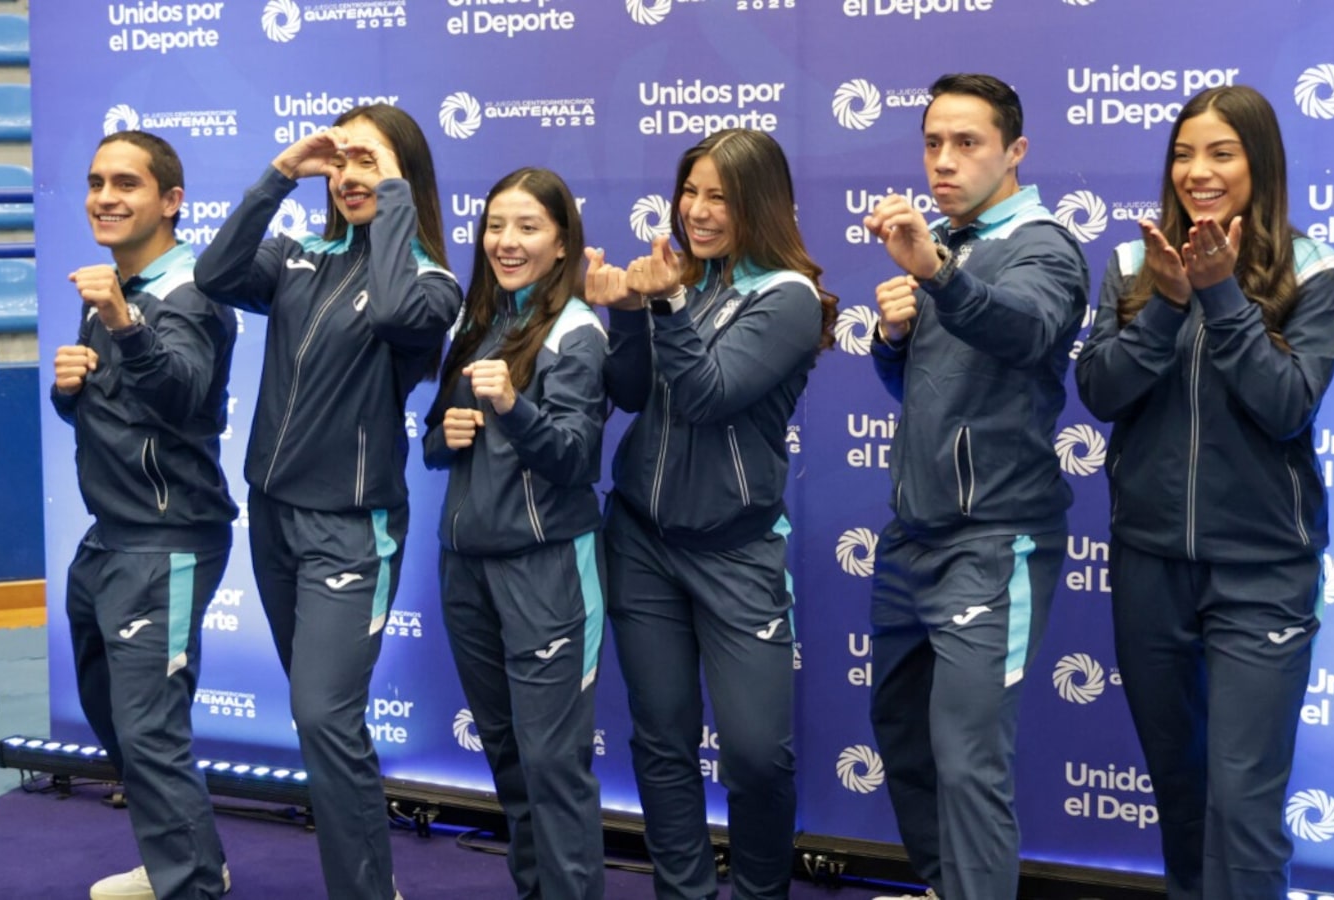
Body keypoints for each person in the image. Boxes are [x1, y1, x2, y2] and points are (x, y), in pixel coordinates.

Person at [1075, 85, 1334, 899]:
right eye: (1184, 152)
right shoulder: (1130, 264)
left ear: (1258, 163)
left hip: (1263, 571)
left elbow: (1287, 405)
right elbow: (1100, 391)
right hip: (1150, 566)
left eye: (1221, 152)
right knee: (1184, 794)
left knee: (1244, 801)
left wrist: (1223, 293)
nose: (1199, 171)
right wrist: (1165, 303)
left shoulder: (1317, 270)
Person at [194, 104, 461, 900]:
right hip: (272, 517)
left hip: (352, 533)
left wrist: (392, 209)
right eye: (341, 160)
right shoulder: (298, 256)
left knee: (323, 719)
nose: (349, 174)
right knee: (325, 724)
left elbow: (389, 311)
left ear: (406, 176)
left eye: (370, 161)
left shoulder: (433, 285)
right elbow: (212, 275)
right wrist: (281, 174)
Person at [584, 127, 837, 900]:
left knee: (757, 754)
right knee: (660, 742)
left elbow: (706, 395)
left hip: (735, 553)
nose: (696, 210)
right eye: (689, 191)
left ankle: (762, 892)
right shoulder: (686, 281)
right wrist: (626, 311)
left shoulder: (786, 297)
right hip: (641, 542)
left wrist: (663, 303)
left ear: (756, 204)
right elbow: (631, 393)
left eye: (718, 196)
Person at [861, 73, 1089, 900]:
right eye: (932, 144)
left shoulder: (1043, 244)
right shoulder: (950, 245)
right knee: (905, 739)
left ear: (1015, 151)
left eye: (968, 144)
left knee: (967, 761)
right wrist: (895, 338)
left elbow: (1026, 330)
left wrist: (938, 275)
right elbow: (935, 395)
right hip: (911, 537)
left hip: (994, 541)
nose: (945, 161)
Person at [51, 130, 238, 900]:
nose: (105, 196)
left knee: (150, 730)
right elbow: (122, 413)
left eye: (126, 183)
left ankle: (189, 882)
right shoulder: (115, 284)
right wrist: (70, 392)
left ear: (170, 201)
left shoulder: (187, 291)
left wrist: (124, 324)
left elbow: (184, 398)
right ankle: (186, 855)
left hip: (166, 539)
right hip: (110, 536)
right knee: (116, 714)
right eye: (96, 181)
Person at [423, 167, 607, 900]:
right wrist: (450, 430)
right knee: (508, 757)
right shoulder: (480, 321)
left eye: (527, 227)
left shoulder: (576, 331)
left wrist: (512, 408)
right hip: (465, 565)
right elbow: (437, 447)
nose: (506, 241)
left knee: (553, 764)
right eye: (496, 225)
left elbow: (576, 459)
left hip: (545, 568)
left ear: (562, 243)